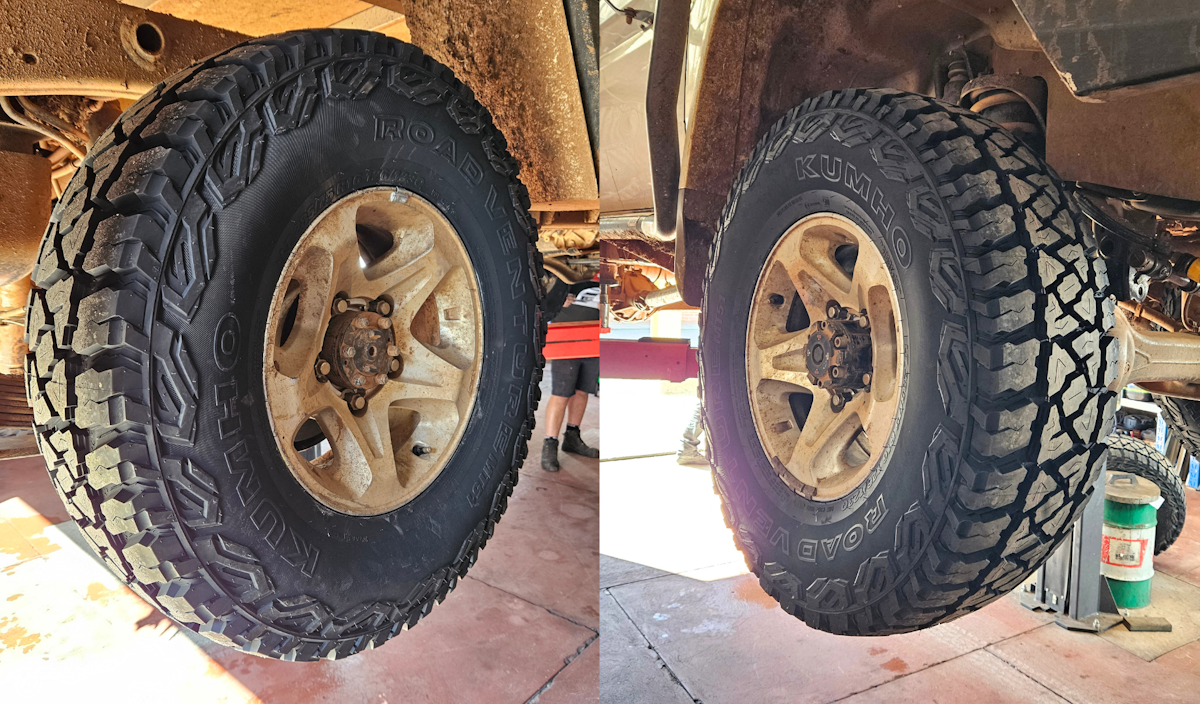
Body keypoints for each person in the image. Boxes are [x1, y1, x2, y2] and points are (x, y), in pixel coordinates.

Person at [542, 283, 601, 471]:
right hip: (566, 336)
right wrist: (556, 299)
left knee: (582, 391)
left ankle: (572, 438)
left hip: (594, 337)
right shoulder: (564, 271)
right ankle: (550, 445)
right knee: (561, 393)